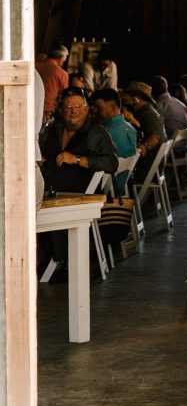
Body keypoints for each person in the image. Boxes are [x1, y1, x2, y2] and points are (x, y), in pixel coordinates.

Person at [39, 86, 120, 279]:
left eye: (78, 106)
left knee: (36, 203)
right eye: (68, 107)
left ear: (86, 108)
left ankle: (58, 259)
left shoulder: (96, 132)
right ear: (61, 109)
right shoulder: (53, 129)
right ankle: (47, 258)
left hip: (80, 192)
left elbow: (111, 163)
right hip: (50, 187)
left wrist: (76, 159)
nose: (73, 110)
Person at [89, 88, 137, 192]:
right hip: (122, 185)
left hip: (104, 187)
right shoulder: (131, 129)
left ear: (113, 107)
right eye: (93, 108)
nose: (94, 112)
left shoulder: (104, 133)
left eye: (98, 107)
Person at [120, 81, 167, 183]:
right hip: (153, 169)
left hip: (145, 170)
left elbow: (155, 136)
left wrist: (145, 146)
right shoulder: (146, 112)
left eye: (127, 96)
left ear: (137, 98)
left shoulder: (148, 115)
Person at [35, 46, 69, 121]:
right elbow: (65, 95)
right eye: (63, 61)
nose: (63, 63)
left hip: (30, 108)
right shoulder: (62, 74)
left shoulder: (34, 67)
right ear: (60, 58)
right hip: (47, 113)